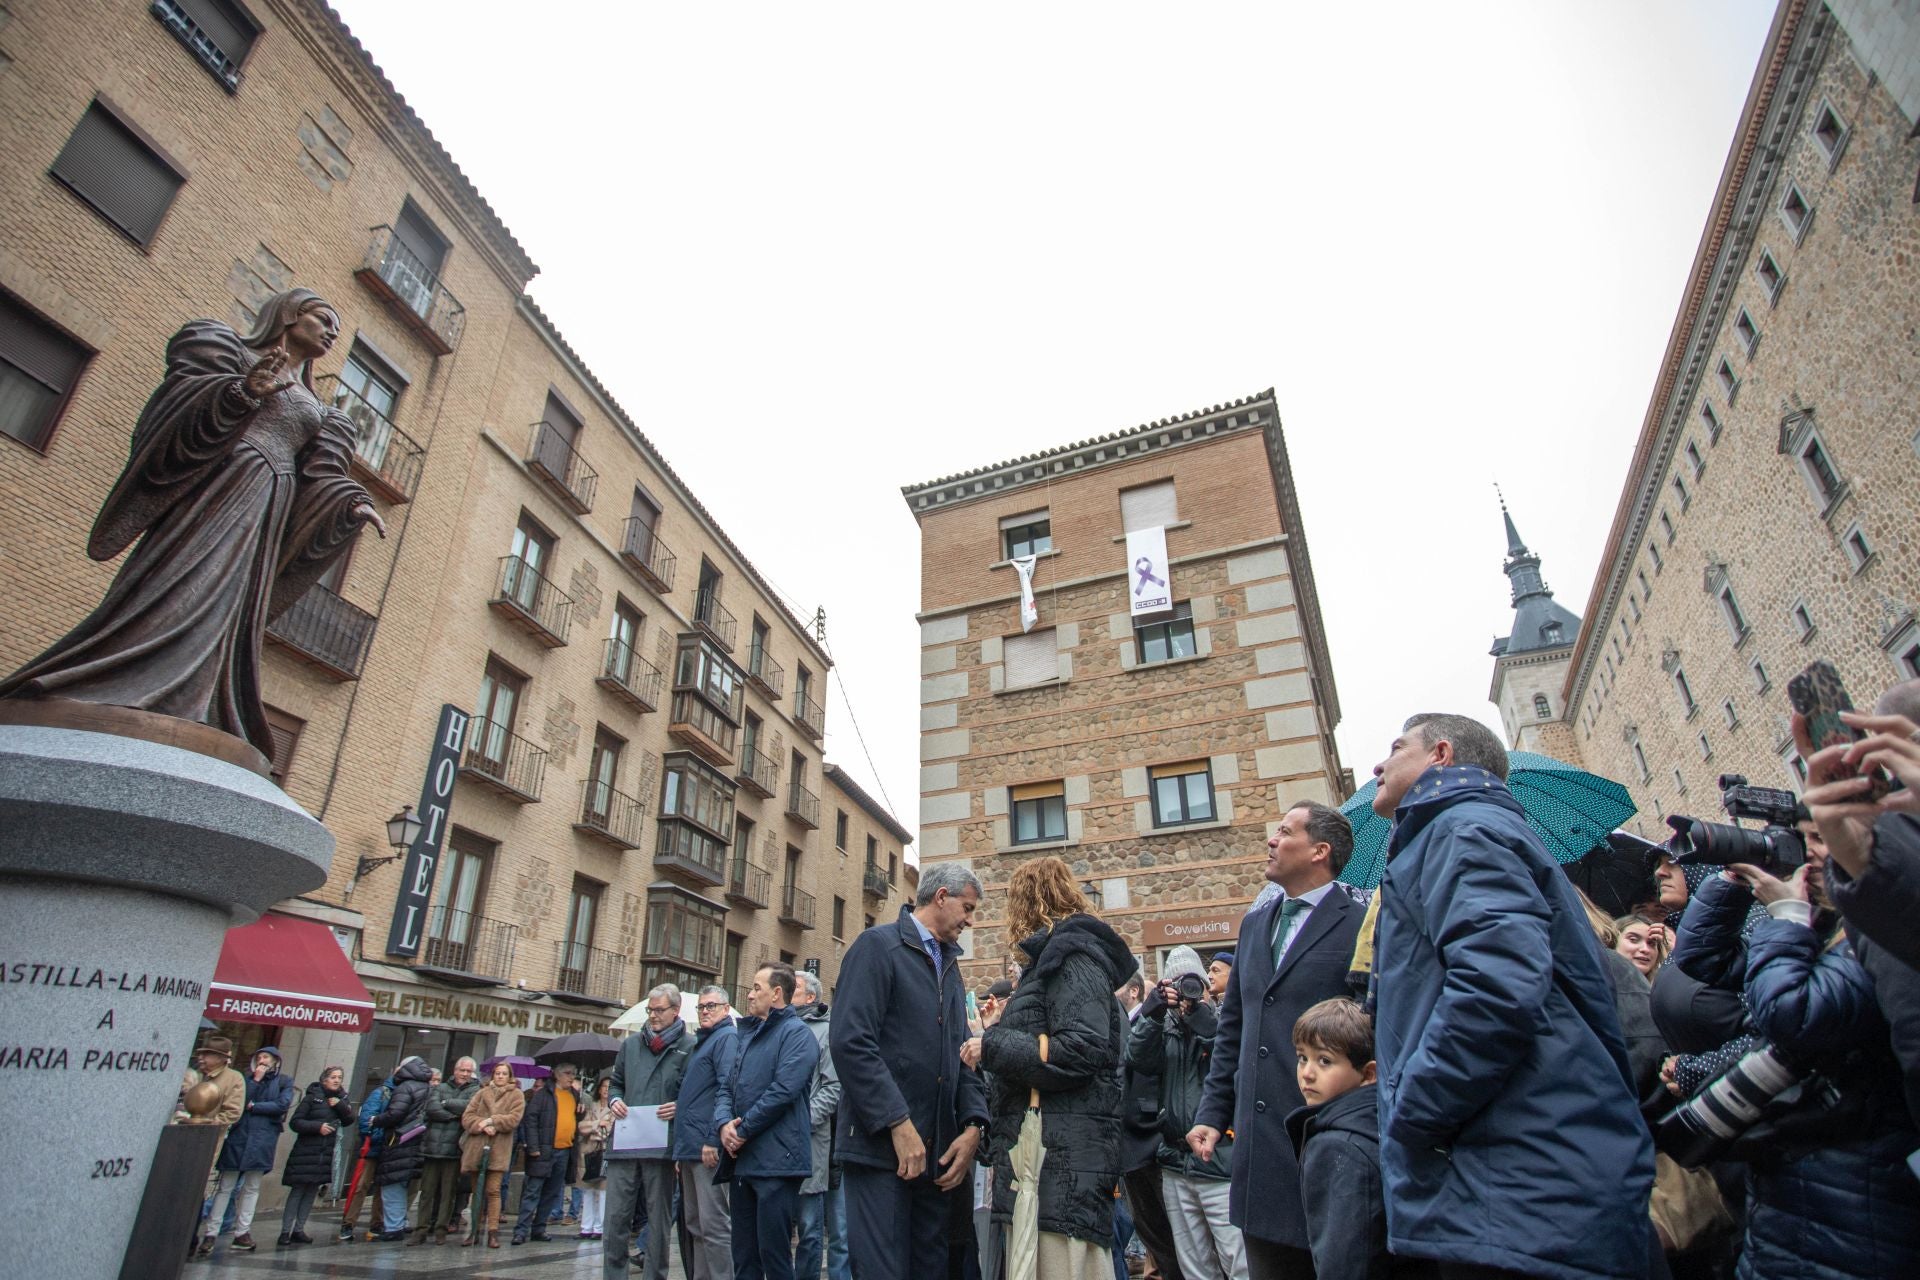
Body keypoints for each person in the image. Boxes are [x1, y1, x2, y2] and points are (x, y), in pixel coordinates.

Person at [0, 289, 386, 755]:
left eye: (336, 331)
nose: (330, 334)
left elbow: (320, 476)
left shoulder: (324, 411)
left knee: (228, 601)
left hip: (270, 501)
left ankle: (199, 702)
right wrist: (241, 393)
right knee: (177, 581)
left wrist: (350, 505)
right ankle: (112, 678)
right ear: (288, 314)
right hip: (221, 480)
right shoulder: (229, 351)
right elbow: (179, 409)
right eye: (322, 319)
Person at [1365, 713, 1652, 1280]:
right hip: (1522, 1169)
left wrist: (1413, 1111)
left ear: (1440, 754)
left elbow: (1496, 987)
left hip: (1523, 1174)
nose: (1379, 763)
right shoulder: (1460, 832)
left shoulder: (1461, 830)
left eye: (1397, 747)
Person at [1672, 851, 1920, 1277]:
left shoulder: (1880, 932)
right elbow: (1703, 959)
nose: (1812, 854)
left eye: (1822, 838)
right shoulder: (1826, 926)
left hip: (1853, 1183)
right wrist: (1731, 883)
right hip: (1802, 1177)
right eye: (1804, 840)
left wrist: (1785, 916)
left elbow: (1792, 1014)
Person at [1187, 803, 1364, 1280]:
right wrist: (1212, 1114)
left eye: (1285, 832)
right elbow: (1234, 1030)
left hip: (1325, 1146)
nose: (1271, 839)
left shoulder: (1360, 923)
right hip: (1258, 1154)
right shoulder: (1254, 924)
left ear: (1319, 851)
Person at [966, 856, 1136, 1278]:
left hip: (1059, 1167)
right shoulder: (1058, 957)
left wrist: (991, 1045)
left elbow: (1081, 1047)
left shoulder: (1072, 955)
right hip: (1049, 1166)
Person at [832, 863, 989, 1278]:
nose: (970, 921)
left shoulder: (950, 968)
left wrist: (973, 1125)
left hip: (936, 1162)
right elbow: (851, 1043)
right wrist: (897, 1123)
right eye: (967, 908)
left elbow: (964, 1053)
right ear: (941, 897)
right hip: (879, 1154)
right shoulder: (875, 947)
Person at [1282, 999, 1422, 1280]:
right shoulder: (1381, 1122)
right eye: (1302, 1057)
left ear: (1368, 1073)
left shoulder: (1339, 1147)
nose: (1307, 1073)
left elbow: (1345, 1260)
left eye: (1325, 1061)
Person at [1127, 948, 1242, 1280]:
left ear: (1207, 987)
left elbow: (1232, 1060)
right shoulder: (1165, 1027)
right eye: (1179, 985)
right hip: (1175, 1163)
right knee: (1195, 1269)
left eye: (1196, 984)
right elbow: (1137, 1060)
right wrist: (1152, 1015)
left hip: (1220, 1164)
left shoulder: (1223, 1022)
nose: (1189, 992)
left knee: (1239, 1262)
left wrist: (1201, 1020)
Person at [716, 962, 821, 1280]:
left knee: (773, 1255)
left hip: (778, 1162)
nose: (749, 995)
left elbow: (783, 1091)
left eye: (756, 988)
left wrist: (743, 1130)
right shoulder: (745, 1035)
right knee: (744, 1256)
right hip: (743, 1160)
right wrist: (723, 1124)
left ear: (777, 993)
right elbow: (726, 1086)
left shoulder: (798, 1036)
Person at [605, 983, 697, 1280]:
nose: (654, 1016)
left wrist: (680, 1106)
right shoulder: (630, 1045)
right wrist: (615, 1099)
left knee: (659, 1219)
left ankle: (655, 1274)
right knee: (616, 1218)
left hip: (663, 1146)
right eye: (650, 1010)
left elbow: (696, 1092)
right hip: (625, 1143)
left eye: (660, 1010)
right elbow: (616, 1082)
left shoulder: (690, 1045)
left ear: (675, 1010)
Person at [1118, 971, 1185, 1280]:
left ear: (1134, 991)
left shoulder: (1162, 1019)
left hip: (1157, 1140)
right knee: (1153, 1233)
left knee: (1179, 1239)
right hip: (1130, 1146)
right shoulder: (1126, 1020)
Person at [200, 1046, 294, 1255]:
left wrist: (255, 1107)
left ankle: (243, 1231)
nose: (262, 1061)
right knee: (226, 1186)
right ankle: (211, 1232)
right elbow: (239, 1102)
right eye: (259, 1057)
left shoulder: (284, 1081)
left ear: (275, 1061)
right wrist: (255, 1081)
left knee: (251, 1187)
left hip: (262, 1140)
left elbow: (282, 1104)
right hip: (240, 1138)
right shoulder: (246, 1079)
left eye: (266, 1057)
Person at [674, 985, 741, 1280]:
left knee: (713, 1226)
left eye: (711, 1006)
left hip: (706, 1148)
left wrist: (714, 1139)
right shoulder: (704, 1041)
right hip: (690, 1148)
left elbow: (728, 1089)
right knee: (695, 1225)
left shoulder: (726, 1038)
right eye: (701, 1007)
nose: (704, 1011)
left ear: (726, 1009)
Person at [792, 970, 847, 1280]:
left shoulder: (827, 1032)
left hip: (827, 1145)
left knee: (823, 1230)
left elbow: (833, 1090)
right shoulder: (776, 1029)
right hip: (790, 1147)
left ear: (811, 997)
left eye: (795, 989)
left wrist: (796, 1121)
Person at [279, 1065, 355, 1246]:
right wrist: (317, 1127)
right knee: (297, 1191)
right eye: (333, 1077)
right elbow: (295, 1122)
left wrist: (341, 1106)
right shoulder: (312, 1098)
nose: (337, 1080)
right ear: (324, 1080)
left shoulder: (341, 1099)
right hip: (306, 1151)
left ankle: (299, 1229)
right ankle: (285, 1231)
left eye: (339, 1077)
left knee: (311, 1191)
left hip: (324, 1152)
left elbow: (349, 1120)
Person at [414, 1056, 480, 1245]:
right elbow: (432, 1108)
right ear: (455, 1070)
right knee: (427, 1191)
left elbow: (468, 1110)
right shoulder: (440, 1087)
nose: (465, 1074)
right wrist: (453, 1114)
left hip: (454, 1149)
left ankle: (441, 1229)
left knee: (448, 1193)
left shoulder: (475, 1090)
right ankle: (421, 1229)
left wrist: (446, 1104)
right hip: (432, 1147)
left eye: (468, 1071)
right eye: (462, 1070)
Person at [460, 1061, 524, 1249]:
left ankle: (493, 1232)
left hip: (499, 1148)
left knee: (493, 1190)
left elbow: (514, 1118)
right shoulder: (481, 1093)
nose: (500, 1076)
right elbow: (467, 1116)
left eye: (504, 1073)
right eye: (497, 1073)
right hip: (477, 1147)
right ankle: (474, 1231)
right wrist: (480, 1124)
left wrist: (492, 1121)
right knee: (477, 1191)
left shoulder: (516, 1094)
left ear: (509, 1076)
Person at [372, 1055, 434, 1241]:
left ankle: (393, 1227)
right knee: (404, 1185)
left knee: (393, 1185)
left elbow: (395, 1113)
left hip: (399, 1142)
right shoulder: (429, 1088)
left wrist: (376, 1120)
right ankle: (400, 1222)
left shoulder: (404, 1088)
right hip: (419, 1142)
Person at [513, 1073, 564, 1245]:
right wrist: (533, 1147)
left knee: (551, 1193)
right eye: (568, 1074)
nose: (572, 1078)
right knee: (533, 1191)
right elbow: (530, 1120)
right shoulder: (543, 1095)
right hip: (542, 1150)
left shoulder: (573, 1095)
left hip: (563, 1150)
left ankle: (539, 1228)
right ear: (559, 1075)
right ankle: (521, 1230)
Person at [578, 1077, 612, 1241]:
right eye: (604, 1086)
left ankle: (600, 1227)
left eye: (610, 1087)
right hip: (590, 1152)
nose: (606, 1089)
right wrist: (598, 1123)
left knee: (603, 1191)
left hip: (605, 1152)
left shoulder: (615, 1108)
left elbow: (612, 1127)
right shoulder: (592, 1106)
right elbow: (582, 1127)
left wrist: (596, 1129)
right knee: (588, 1189)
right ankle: (586, 1226)